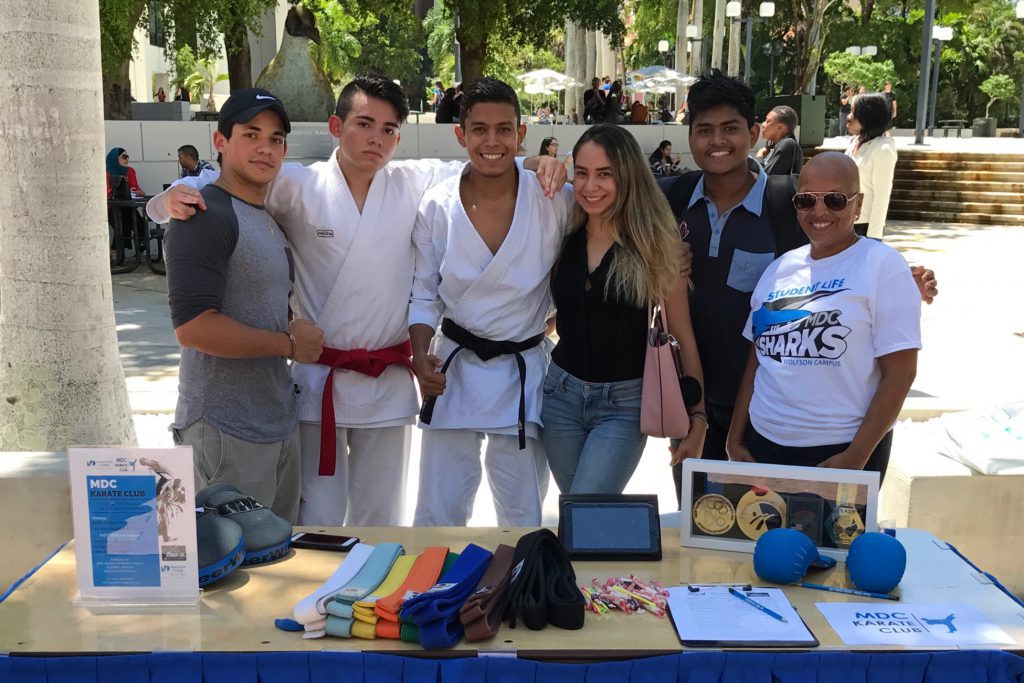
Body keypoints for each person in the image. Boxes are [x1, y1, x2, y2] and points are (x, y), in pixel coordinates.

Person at [147, 75, 567, 528]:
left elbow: (486, 162)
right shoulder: (298, 184)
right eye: (364, 124)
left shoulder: (412, 181)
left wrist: (539, 162)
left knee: (382, 523)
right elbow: (222, 182)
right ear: (335, 125)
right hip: (318, 379)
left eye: (388, 129)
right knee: (318, 521)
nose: (376, 138)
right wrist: (163, 201)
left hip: (385, 383)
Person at [654, 71, 935, 502]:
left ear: (753, 132)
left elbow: (840, 251)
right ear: (689, 135)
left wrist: (902, 275)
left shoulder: (787, 203)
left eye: (730, 128)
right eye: (704, 130)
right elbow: (591, 200)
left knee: (788, 538)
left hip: (761, 408)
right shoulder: (666, 200)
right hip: (691, 402)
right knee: (706, 528)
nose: (717, 141)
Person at [409, 78, 575, 526]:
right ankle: (432, 592)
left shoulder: (554, 198)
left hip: (520, 371)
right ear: (461, 135)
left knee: (521, 515)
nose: (492, 141)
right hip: (453, 367)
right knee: (438, 512)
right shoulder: (438, 204)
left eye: (504, 129)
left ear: (521, 134)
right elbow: (423, 292)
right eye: (479, 129)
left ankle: (517, 593)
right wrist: (419, 353)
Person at [163, 88, 325, 523]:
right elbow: (194, 328)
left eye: (275, 139)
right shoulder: (202, 215)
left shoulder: (266, 218)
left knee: (279, 570)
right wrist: (289, 344)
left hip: (276, 425)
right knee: (227, 579)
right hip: (222, 431)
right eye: (251, 134)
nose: (264, 148)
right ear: (220, 142)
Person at [726, 152, 920, 482]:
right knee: (765, 536)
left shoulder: (882, 266)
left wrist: (856, 457)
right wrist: (734, 439)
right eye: (806, 200)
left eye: (835, 200)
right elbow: (757, 361)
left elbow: (900, 374)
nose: (819, 211)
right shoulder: (779, 269)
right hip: (762, 445)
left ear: (857, 205)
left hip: (838, 453)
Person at [542, 124, 707, 494]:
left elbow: (683, 336)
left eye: (605, 174)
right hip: (559, 396)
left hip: (624, 404)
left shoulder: (656, 246)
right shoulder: (564, 227)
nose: (589, 186)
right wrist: (541, 160)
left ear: (628, 176)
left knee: (586, 505)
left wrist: (698, 419)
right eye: (581, 173)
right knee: (576, 515)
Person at [845, 93, 897, 239]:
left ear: (868, 117)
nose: (848, 117)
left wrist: (874, 237)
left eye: (854, 113)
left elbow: (882, 196)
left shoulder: (883, 149)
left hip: (864, 227)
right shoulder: (855, 142)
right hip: (846, 222)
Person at [756, 105, 803, 176]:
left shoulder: (788, 144)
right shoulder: (776, 147)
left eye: (767, 121)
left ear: (780, 127)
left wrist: (760, 155)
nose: (763, 124)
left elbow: (764, 178)